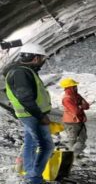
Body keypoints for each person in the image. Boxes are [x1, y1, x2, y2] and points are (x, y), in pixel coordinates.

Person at [4, 43, 54, 184]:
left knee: (30, 144)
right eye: (42, 58)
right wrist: (41, 116)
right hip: (31, 115)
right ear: (36, 58)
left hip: (30, 114)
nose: (43, 61)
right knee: (46, 146)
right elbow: (25, 97)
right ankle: (34, 178)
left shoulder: (25, 70)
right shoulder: (21, 72)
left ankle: (29, 173)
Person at [60, 78, 89, 163]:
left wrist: (80, 106)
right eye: (74, 86)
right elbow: (75, 111)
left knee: (83, 139)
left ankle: (74, 156)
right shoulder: (66, 98)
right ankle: (70, 159)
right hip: (71, 122)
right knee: (72, 140)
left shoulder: (77, 95)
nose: (76, 87)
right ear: (69, 87)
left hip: (80, 120)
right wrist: (80, 106)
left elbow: (87, 105)